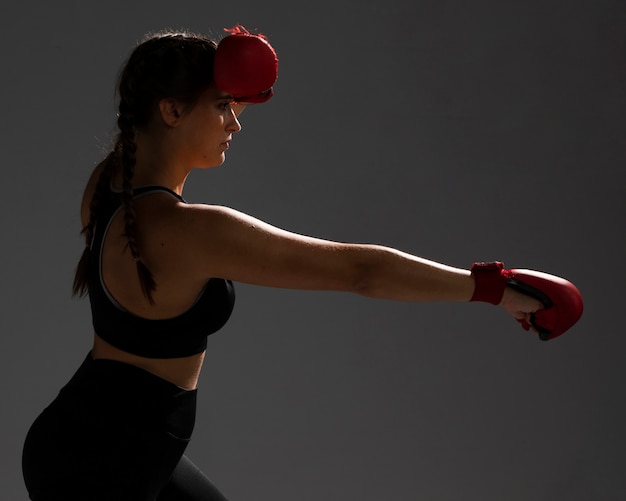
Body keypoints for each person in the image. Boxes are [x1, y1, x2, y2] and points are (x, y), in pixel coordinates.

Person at [21, 28, 545, 501]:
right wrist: (493, 288)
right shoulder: (194, 232)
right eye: (223, 106)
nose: (235, 123)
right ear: (171, 111)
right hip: (108, 470)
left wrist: (231, 83)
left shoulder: (109, 185)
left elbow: (172, 127)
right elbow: (358, 270)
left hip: (83, 434)